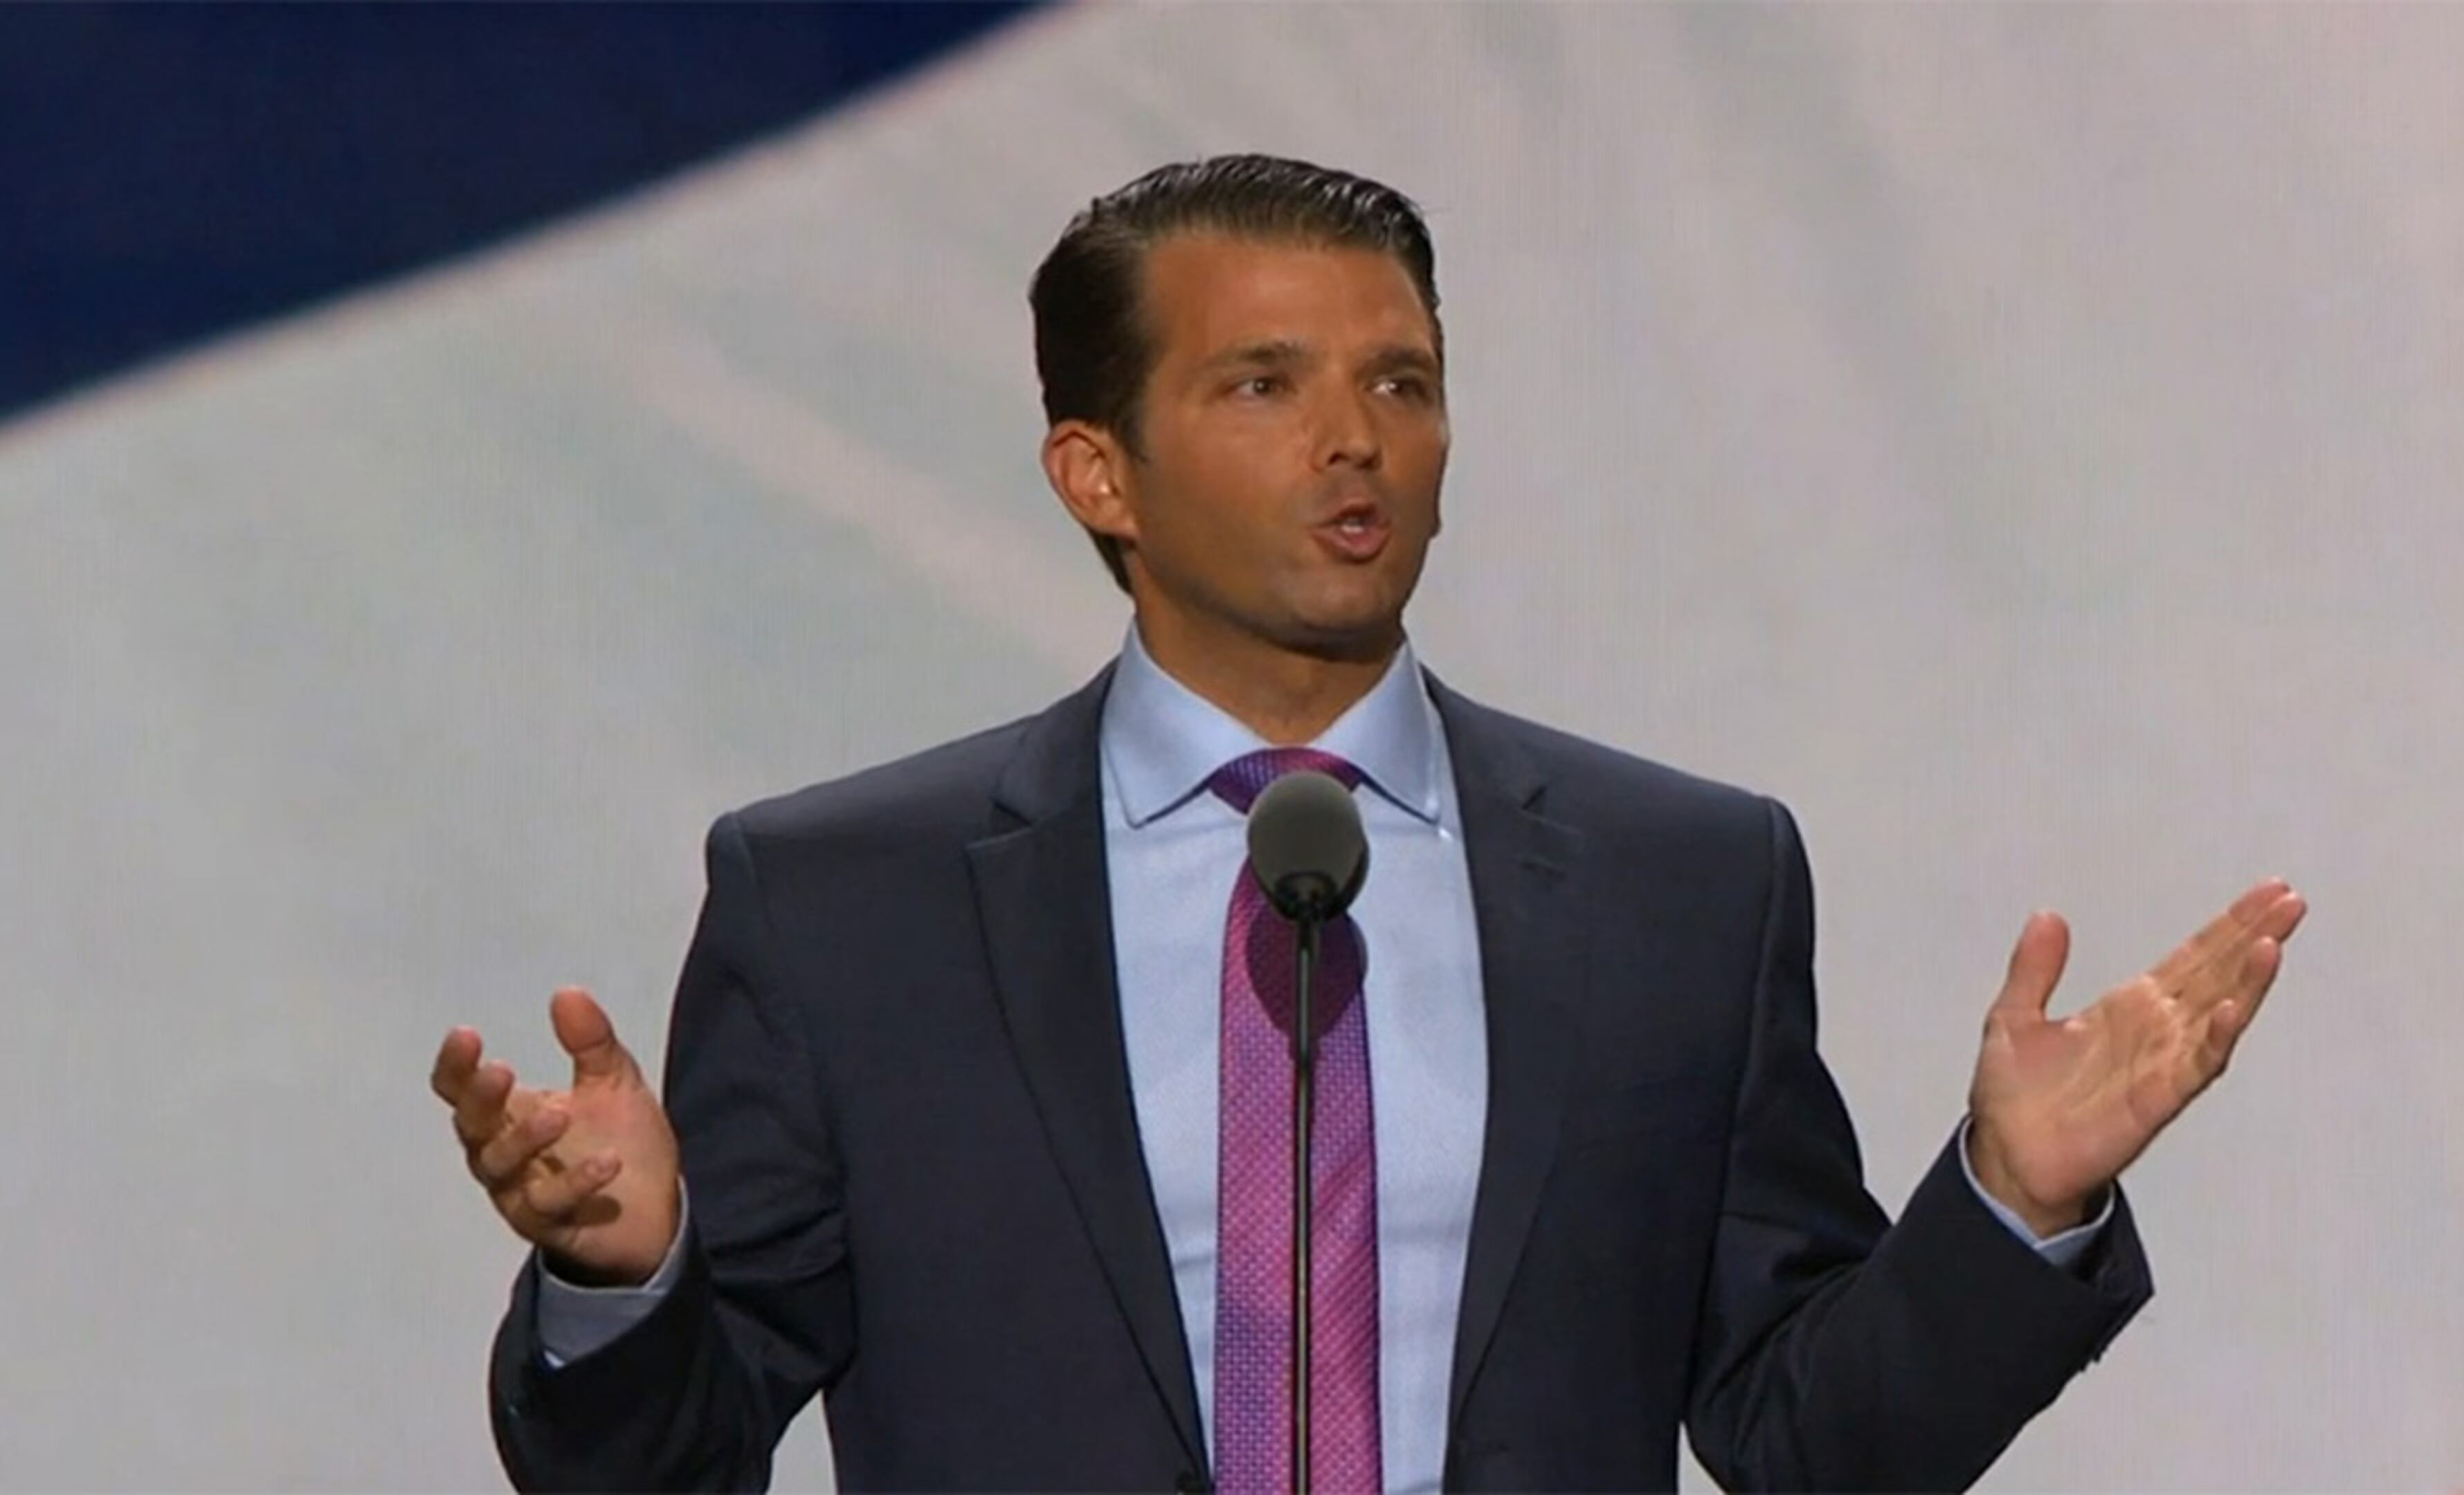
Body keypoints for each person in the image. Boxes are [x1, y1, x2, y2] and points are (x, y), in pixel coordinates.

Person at [431, 154, 2306, 1493]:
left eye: (1400, 383)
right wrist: (624, 1282)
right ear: (1102, 470)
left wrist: (2010, 1210)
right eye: (1266, 384)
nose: (1359, 439)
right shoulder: (847, 907)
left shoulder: (1684, 886)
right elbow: (656, 1472)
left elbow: (1813, 1441)